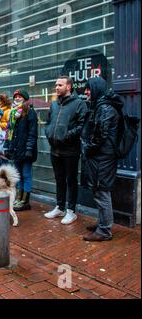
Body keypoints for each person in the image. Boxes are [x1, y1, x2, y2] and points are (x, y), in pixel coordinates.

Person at [81, 77, 122, 241]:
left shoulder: (104, 108)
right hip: (101, 157)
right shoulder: (101, 106)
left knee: (101, 192)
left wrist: (87, 147)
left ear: (97, 89)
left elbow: (100, 136)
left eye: (88, 89)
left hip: (102, 159)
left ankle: (104, 231)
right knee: (99, 191)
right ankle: (102, 223)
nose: (85, 92)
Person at [44, 76, 87, 224]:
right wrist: (49, 134)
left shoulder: (79, 104)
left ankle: (71, 211)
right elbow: (48, 122)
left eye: (60, 85)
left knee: (71, 180)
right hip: (55, 150)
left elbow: (82, 126)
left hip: (70, 151)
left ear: (69, 87)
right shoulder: (54, 104)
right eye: (56, 85)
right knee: (59, 179)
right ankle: (60, 207)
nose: (56, 87)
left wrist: (65, 136)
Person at [6, 89, 38, 211]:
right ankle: (18, 198)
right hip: (16, 150)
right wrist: (7, 146)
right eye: (16, 96)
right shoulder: (13, 112)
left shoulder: (30, 112)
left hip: (26, 150)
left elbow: (32, 133)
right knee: (18, 176)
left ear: (25, 98)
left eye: (20, 97)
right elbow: (9, 132)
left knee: (26, 174)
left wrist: (29, 149)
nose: (17, 98)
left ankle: (25, 201)